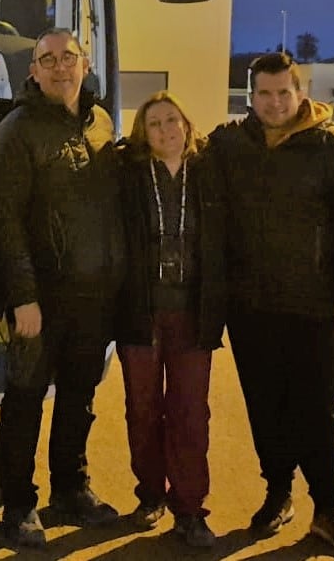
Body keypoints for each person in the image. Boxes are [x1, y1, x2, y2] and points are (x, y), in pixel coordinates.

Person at [208, 52, 334, 561]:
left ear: (300, 92)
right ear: (250, 95)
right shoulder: (229, 144)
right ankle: (277, 491)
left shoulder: (332, 148)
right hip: (251, 306)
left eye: (284, 92)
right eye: (264, 93)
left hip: (314, 307)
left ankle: (328, 509)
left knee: (317, 409)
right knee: (265, 406)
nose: (274, 102)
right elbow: (173, 149)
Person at [0, 28, 124, 547]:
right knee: (24, 401)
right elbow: (4, 222)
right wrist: (23, 296)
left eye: (70, 57)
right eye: (49, 59)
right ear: (33, 71)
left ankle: (71, 488)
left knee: (78, 397)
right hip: (39, 301)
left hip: (94, 296)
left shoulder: (101, 123)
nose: (61, 67)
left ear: (85, 64)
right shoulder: (16, 131)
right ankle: (17, 505)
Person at [115, 91, 227, 548]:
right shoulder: (127, 173)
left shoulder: (209, 173)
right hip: (139, 310)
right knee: (143, 409)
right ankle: (150, 493)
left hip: (193, 312)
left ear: (187, 124)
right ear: (143, 132)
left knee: (189, 412)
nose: (165, 129)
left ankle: (189, 507)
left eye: (172, 120)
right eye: (154, 123)